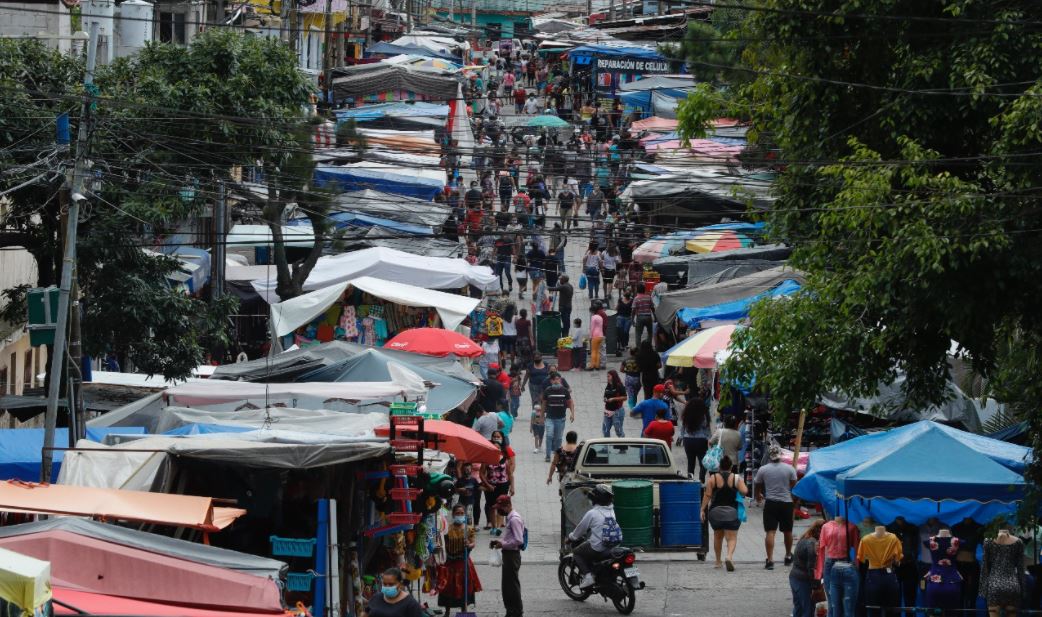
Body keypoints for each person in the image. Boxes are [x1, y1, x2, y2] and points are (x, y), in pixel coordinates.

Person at [567, 484, 624, 588]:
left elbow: (579, 531)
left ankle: (588, 577)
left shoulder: (592, 513)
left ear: (595, 499)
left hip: (598, 548)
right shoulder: (611, 511)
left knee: (577, 553)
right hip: (612, 547)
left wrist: (571, 538)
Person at [754, 445, 799, 570]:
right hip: (786, 503)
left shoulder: (763, 469)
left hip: (771, 503)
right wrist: (794, 502)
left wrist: (758, 496)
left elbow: (757, 484)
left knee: (770, 532)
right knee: (788, 531)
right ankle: (788, 556)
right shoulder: (790, 469)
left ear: (769, 455)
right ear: (781, 455)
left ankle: (770, 560)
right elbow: (795, 488)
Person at [700, 455, 748, 571]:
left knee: (717, 536)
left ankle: (717, 561)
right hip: (731, 512)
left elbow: (707, 495)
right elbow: (744, 491)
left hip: (715, 512)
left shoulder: (713, 478)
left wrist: (702, 509)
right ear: (731, 467)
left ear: (719, 467)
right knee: (731, 538)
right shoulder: (736, 478)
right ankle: (729, 556)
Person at [439, 504, 482, 617]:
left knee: (464, 587)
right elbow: (443, 543)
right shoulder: (447, 528)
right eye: (457, 513)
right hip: (450, 562)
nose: (460, 515)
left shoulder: (468, 529)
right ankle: (447, 612)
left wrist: (469, 544)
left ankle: (464, 610)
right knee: (448, 586)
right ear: (453, 514)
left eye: (462, 513)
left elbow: (473, 542)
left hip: (463, 562)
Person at [489, 495, 524, 617]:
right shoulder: (510, 518)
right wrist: (500, 542)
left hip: (512, 555)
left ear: (508, 505)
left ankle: (516, 612)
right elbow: (511, 538)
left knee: (512, 585)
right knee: (507, 585)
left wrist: (502, 545)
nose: (499, 511)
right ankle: (511, 610)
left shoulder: (514, 519)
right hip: (508, 554)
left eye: (501, 507)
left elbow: (519, 540)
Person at [790, 520, 826, 617]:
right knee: (808, 610)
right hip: (803, 580)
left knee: (798, 608)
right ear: (821, 531)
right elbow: (811, 568)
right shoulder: (812, 544)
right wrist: (816, 586)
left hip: (794, 577)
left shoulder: (804, 538)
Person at [481, 430, 515, 531]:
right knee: (492, 506)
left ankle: (499, 527)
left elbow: (510, 474)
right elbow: (481, 473)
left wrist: (512, 487)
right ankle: (494, 527)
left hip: (503, 485)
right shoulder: (487, 459)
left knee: (501, 506)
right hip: (491, 485)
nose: (496, 449)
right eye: (494, 448)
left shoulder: (505, 459)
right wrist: (487, 485)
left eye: (498, 448)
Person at [540, 372, 575, 462]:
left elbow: (570, 402)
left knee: (558, 438)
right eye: (554, 379)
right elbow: (543, 403)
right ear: (551, 381)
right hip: (550, 418)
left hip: (561, 419)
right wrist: (542, 416)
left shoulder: (564, 390)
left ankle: (557, 455)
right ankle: (548, 455)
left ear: (560, 380)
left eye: (558, 379)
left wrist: (572, 413)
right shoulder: (547, 391)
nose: (556, 381)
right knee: (549, 435)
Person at [678, 397, 711, 482]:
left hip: (688, 440)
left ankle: (690, 479)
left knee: (690, 461)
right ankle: (701, 478)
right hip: (701, 440)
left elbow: (683, 428)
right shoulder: (703, 415)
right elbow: (706, 427)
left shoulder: (686, 415)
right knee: (703, 461)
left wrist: (681, 437)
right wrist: (709, 439)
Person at [602, 370, 627, 437]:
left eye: (609, 376)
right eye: (607, 376)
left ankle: (623, 444)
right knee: (605, 429)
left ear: (613, 376)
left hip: (617, 411)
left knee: (618, 430)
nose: (607, 378)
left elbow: (625, 397)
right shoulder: (608, 385)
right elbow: (605, 395)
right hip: (607, 410)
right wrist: (605, 399)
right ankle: (606, 446)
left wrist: (613, 399)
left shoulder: (619, 386)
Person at [588, 305, 604, 370]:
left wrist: (590, 336)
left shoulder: (593, 317)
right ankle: (597, 365)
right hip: (601, 335)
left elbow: (592, 328)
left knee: (593, 351)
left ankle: (592, 366)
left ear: (592, 311)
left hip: (595, 336)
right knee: (598, 351)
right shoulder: (600, 317)